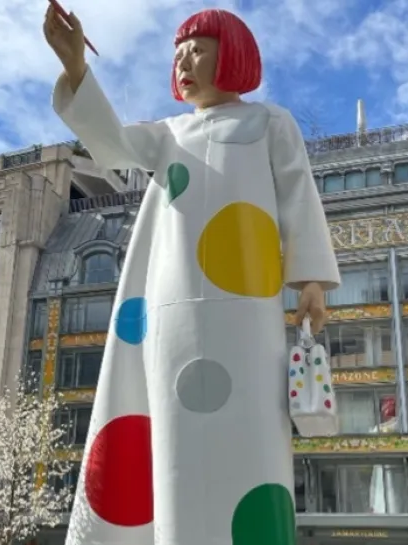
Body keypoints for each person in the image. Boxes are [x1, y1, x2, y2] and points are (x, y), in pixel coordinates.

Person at [43, 7, 340, 545]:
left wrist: (310, 279)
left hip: (248, 311)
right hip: (169, 306)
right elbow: (112, 143)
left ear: (234, 56)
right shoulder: (169, 134)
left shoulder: (269, 122)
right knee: (173, 441)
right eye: (178, 53)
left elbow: (298, 194)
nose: (184, 61)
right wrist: (76, 69)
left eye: (198, 50)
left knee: (249, 436)